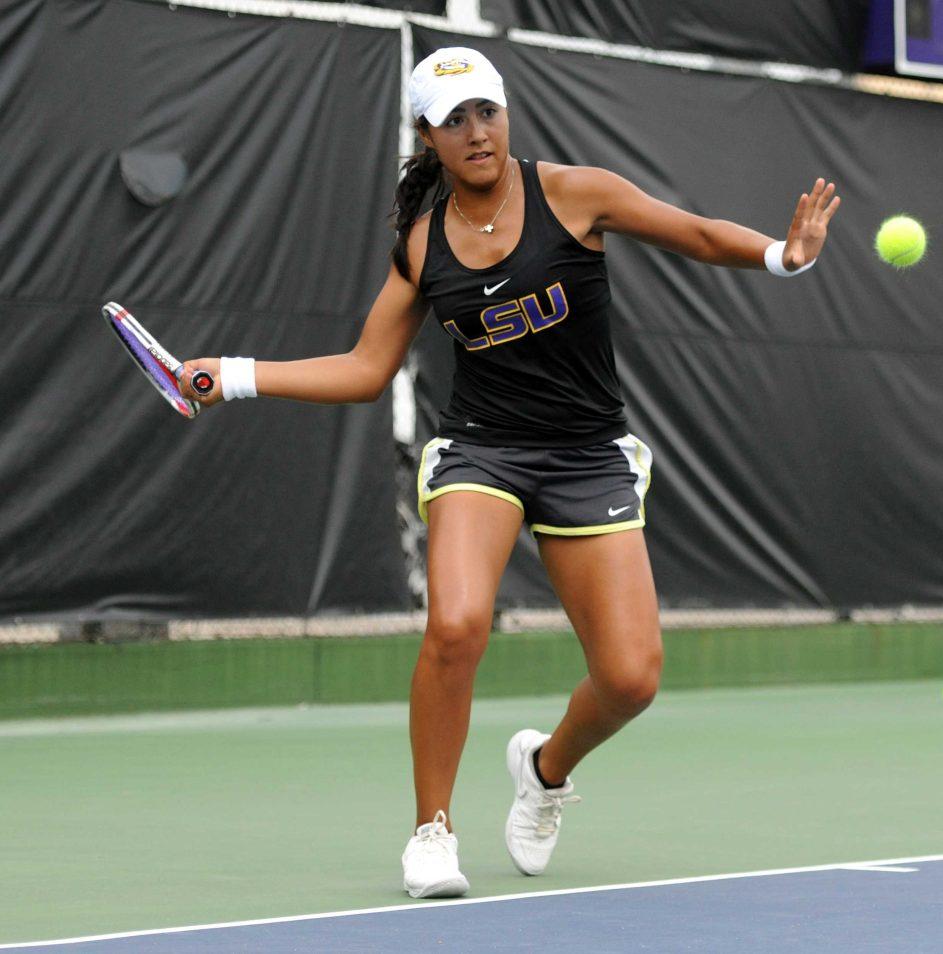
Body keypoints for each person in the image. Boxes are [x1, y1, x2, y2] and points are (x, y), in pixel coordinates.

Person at [180, 46, 840, 900]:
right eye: (454, 119)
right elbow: (365, 368)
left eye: (486, 111)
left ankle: (545, 769)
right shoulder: (422, 246)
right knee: (456, 625)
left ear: (505, 114)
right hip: (483, 452)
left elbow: (697, 233)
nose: (477, 131)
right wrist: (231, 376)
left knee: (632, 679)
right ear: (428, 136)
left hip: (586, 455)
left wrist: (784, 257)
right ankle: (432, 832)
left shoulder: (574, 193)